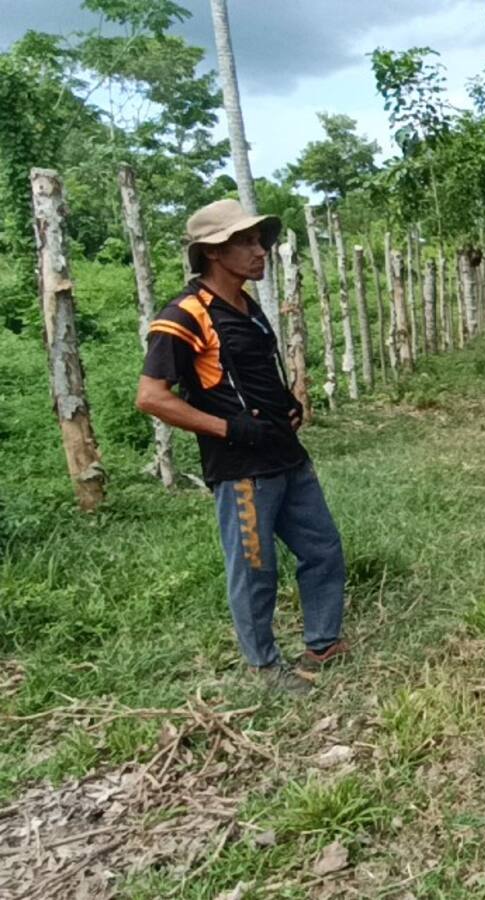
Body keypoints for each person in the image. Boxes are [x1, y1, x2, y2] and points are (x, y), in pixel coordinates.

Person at [136, 199, 348, 696]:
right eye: (245, 242)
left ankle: (323, 642)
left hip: (286, 454)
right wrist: (228, 429)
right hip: (242, 467)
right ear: (212, 252)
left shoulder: (248, 306)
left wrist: (287, 404)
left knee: (322, 549)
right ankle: (264, 667)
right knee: (255, 569)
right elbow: (151, 397)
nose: (260, 252)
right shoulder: (184, 315)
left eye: (259, 241)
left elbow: (250, 375)